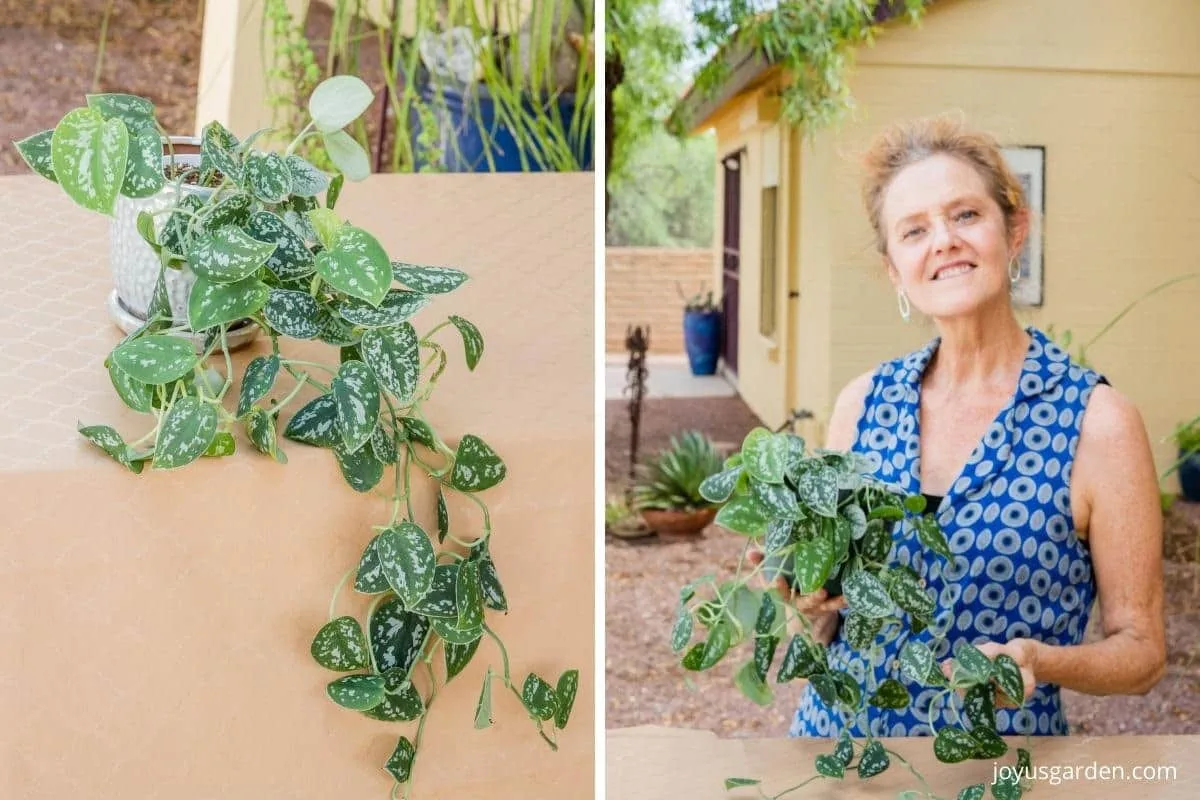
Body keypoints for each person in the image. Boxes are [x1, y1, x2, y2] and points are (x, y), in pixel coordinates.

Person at [758, 116, 1166, 738]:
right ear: (895, 269)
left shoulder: (1097, 423)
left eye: (966, 215)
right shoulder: (861, 405)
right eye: (914, 230)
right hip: (839, 760)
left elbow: (1141, 651)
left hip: (996, 767)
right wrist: (800, 591)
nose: (942, 240)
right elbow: (825, 612)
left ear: (1015, 229)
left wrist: (1040, 660)